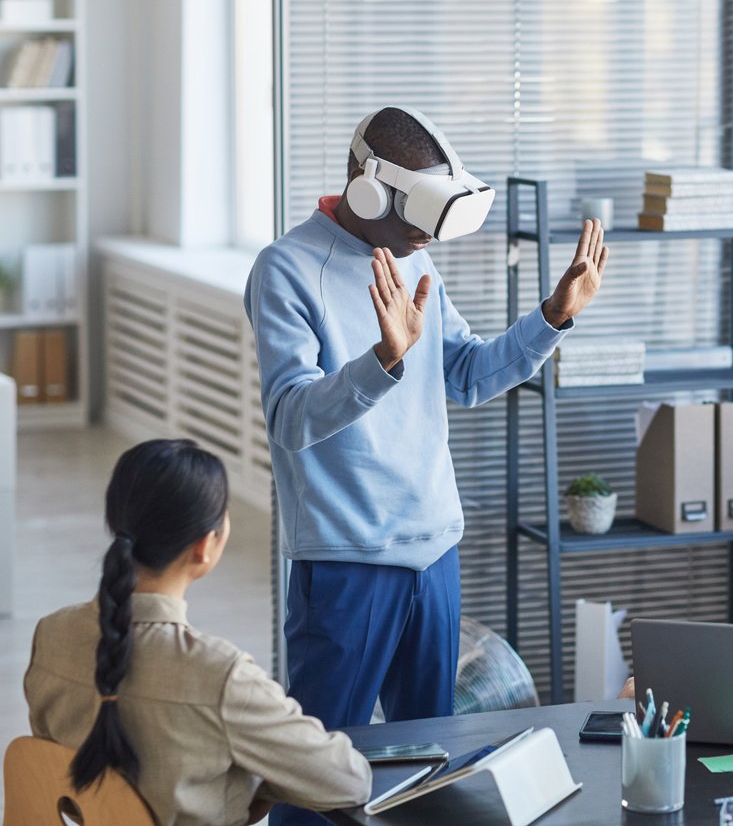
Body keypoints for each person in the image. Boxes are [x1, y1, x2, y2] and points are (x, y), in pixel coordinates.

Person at [244, 106, 607, 825]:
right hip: (346, 564)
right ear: (368, 192)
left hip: (434, 555)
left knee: (427, 772)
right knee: (318, 776)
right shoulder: (286, 270)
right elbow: (291, 418)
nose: (425, 239)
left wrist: (553, 317)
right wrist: (383, 361)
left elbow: (467, 373)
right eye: (418, 221)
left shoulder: (415, 257)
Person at [24, 439, 370, 826]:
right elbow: (348, 781)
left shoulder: (51, 636)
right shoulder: (221, 676)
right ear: (205, 545)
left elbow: (63, 778)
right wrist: (256, 777)